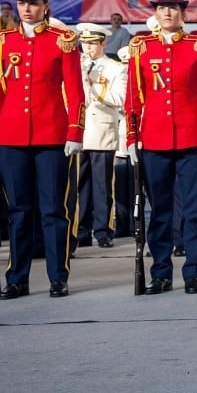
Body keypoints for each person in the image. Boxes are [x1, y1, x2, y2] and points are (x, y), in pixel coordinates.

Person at [0, 0, 85, 299]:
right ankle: (17, 278)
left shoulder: (63, 40)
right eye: (22, 2)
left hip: (52, 136)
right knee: (19, 211)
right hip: (13, 138)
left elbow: (75, 90)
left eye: (34, 2)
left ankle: (58, 276)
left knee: (54, 210)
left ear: (45, 6)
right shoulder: (3, 42)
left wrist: (75, 131)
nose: (27, 8)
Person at [125, 0, 197, 295]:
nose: (167, 12)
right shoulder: (141, 46)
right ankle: (161, 272)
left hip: (193, 138)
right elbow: (133, 98)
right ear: (155, 12)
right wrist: (131, 136)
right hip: (153, 139)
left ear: (183, 13)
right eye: (162, 7)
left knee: (194, 210)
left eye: (173, 7)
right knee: (160, 211)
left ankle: (193, 270)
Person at [74, 22, 126, 250]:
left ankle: (103, 230)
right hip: (80, 131)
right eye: (84, 43)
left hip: (103, 130)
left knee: (103, 185)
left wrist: (93, 89)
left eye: (92, 44)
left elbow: (120, 98)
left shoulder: (115, 68)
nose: (87, 48)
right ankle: (82, 231)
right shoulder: (77, 65)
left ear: (103, 43)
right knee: (80, 186)